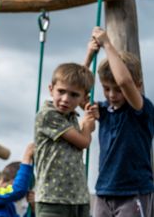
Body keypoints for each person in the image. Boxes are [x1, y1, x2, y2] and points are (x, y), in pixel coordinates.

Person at [85, 27, 154, 217]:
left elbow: (125, 82)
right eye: (106, 89)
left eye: (117, 90)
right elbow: (79, 91)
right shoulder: (105, 111)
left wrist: (107, 43)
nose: (111, 95)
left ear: (138, 86)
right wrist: (89, 56)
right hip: (104, 191)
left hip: (133, 192)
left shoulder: (141, 109)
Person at [34, 62, 97, 217]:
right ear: (51, 89)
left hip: (78, 198)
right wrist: (87, 125)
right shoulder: (48, 115)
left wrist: (88, 120)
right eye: (61, 92)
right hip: (53, 199)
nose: (65, 99)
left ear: (84, 98)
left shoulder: (71, 116)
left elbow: (85, 132)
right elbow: (83, 141)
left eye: (74, 95)